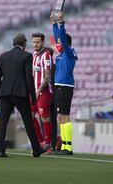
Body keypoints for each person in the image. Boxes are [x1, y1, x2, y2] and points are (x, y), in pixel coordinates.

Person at [0, 33, 46, 158]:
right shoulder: (27, 56)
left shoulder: (3, 56)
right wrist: (33, 97)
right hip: (20, 94)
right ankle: (36, 149)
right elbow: (29, 78)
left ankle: (1, 150)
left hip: (5, 94)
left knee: (3, 122)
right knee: (28, 122)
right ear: (24, 44)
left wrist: (0, 93)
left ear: (14, 43)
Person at [51, 11, 78, 155]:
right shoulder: (62, 54)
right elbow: (58, 37)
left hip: (65, 87)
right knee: (61, 116)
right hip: (60, 87)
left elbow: (61, 39)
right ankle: (65, 146)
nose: (58, 44)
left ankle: (68, 146)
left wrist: (61, 23)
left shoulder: (69, 53)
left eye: (61, 42)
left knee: (64, 116)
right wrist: (54, 24)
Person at [31, 33, 53, 153]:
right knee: (30, 115)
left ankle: (47, 146)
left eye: (38, 42)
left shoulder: (46, 55)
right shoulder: (34, 54)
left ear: (43, 42)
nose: (35, 44)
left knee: (45, 118)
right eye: (34, 42)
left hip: (43, 92)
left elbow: (47, 77)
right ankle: (40, 142)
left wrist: (38, 90)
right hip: (34, 92)